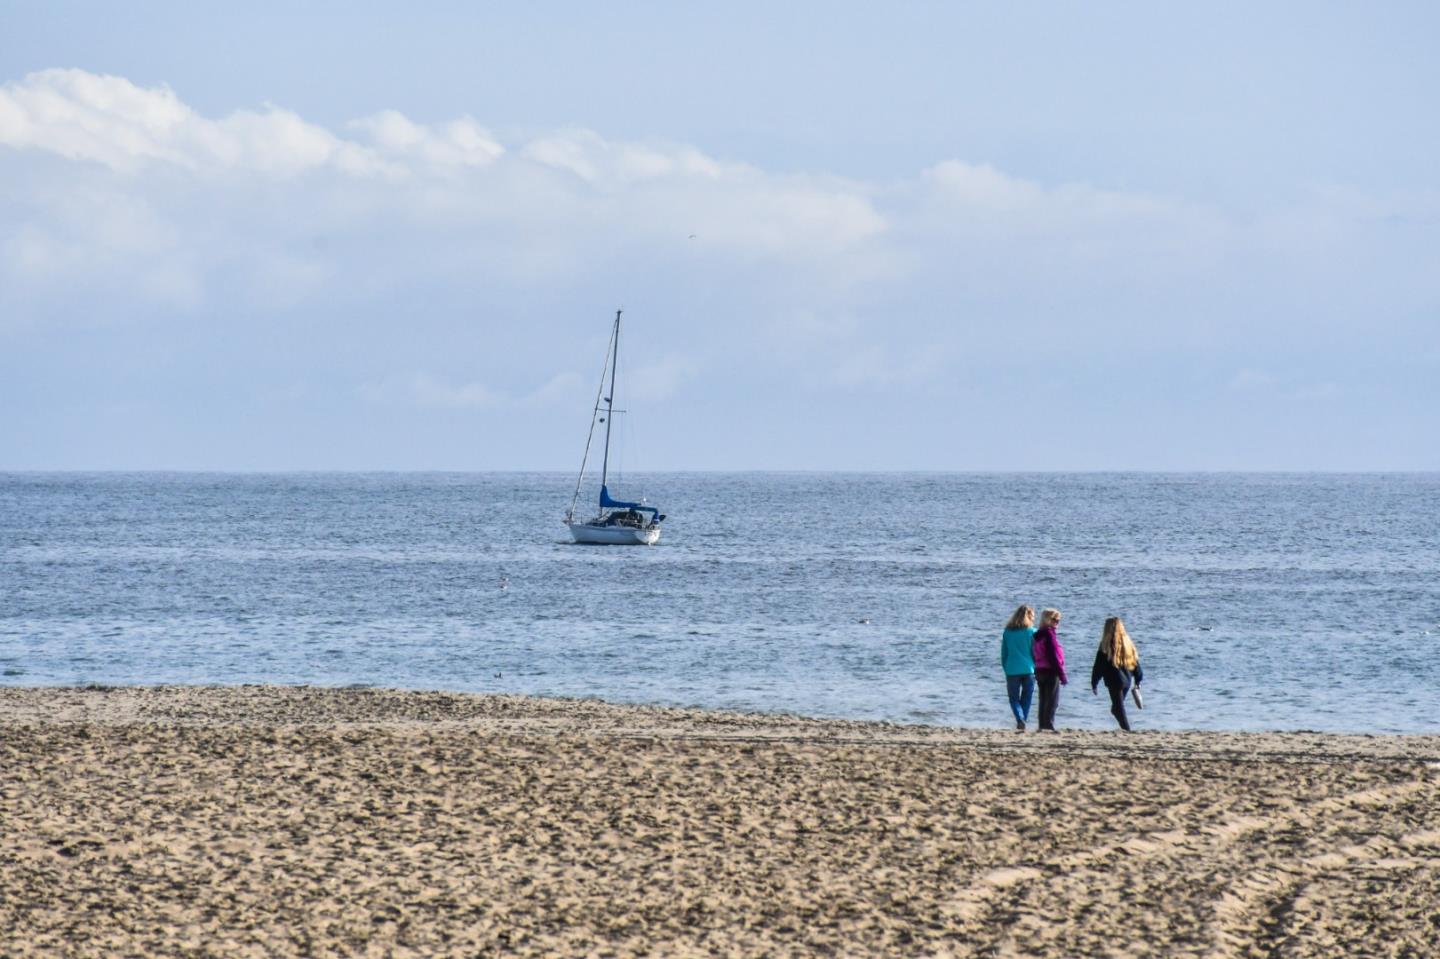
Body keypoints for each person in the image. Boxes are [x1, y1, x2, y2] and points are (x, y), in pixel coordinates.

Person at [1091, 617, 1144, 731]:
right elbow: (1135, 663)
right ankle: (1126, 729)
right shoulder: (1127, 643)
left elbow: (1099, 666)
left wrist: (1094, 682)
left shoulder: (1105, 645)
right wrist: (1138, 679)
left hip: (1114, 681)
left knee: (1118, 708)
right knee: (1116, 708)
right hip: (1127, 681)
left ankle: (1127, 730)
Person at [1000, 605, 1037, 731]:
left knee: (1014, 699)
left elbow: (1004, 654)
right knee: (1027, 698)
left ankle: (1020, 720)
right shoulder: (1032, 632)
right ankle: (1023, 720)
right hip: (1029, 669)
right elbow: (1035, 652)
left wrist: (1006, 668)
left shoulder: (1007, 632)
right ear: (1029, 617)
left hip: (1012, 669)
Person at [1032, 608, 1067, 731]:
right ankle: (1049, 724)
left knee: (1043, 699)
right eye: (1055, 620)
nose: (1057, 623)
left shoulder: (1037, 635)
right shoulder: (1049, 635)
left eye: (1058, 620)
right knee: (1052, 700)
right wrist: (1062, 674)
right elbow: (1053, 656)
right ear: (1048, 620)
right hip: (1050, 670)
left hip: (1039, 669)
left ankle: (1042, 724)